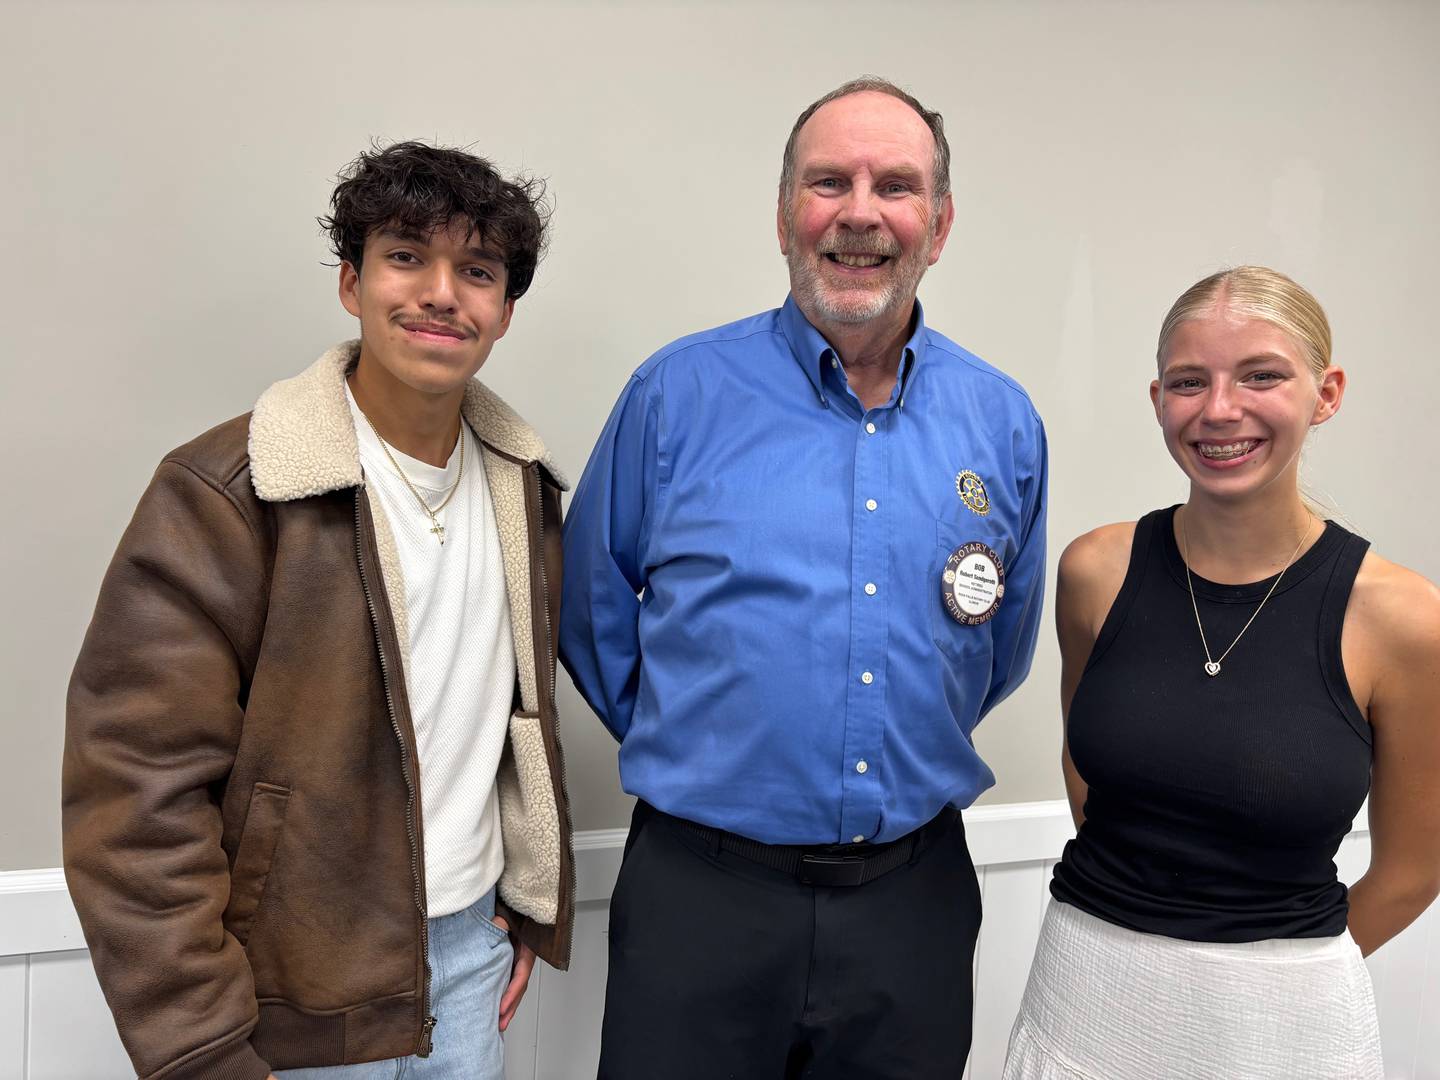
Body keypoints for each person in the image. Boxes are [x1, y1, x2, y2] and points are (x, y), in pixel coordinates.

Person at [561, 76, 1048, 1078]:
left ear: (940, 224)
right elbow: (589, 610)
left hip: (911, 908)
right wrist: (710, 735)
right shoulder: (674, 396)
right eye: (829, 182)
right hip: (702, 897)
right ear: (785, 215)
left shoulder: (1001, 424)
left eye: (896, 187)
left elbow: (995, 648)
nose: (861, 213)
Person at [63, 141, 575, 1080]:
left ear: (503, 311)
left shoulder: (527, 493)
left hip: (467, 967)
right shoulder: (226, 493)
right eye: (405, 256)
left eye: (477, 271)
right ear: (352, 282)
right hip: (286, 992)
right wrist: (200, 1044)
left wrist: (528, 903)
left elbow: (513, 727)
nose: (440, 292)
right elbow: (134, 789)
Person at [1004, 266, 1440, 1079]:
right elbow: (1087, 765)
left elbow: (1415, 867)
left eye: (1262, 375)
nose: (1219, 410)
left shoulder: (1403, 618)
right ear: (1157, 399)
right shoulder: (1097, 570)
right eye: (1188, 382)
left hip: (1290, 1032)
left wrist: (1270, 975)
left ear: (1327, 392)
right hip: (1082, 1001)